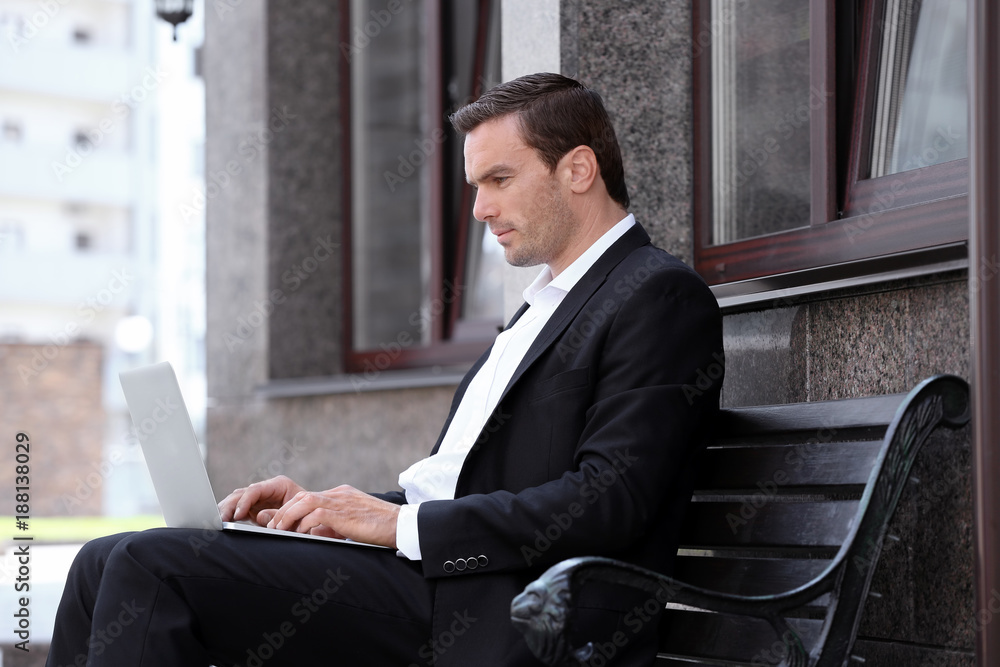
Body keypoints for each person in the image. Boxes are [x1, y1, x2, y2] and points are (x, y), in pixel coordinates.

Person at [46, 72, 723, 667]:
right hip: (432, 580)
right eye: (476, 185)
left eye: (500, 179)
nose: (481, 208)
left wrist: (397, 526)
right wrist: (328, 509)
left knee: (151, 567)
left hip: (509, 612)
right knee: (99, 560)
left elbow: (611, 499)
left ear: (578, 169)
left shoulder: (656, 295)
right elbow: (464, 487)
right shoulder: (544, 305)